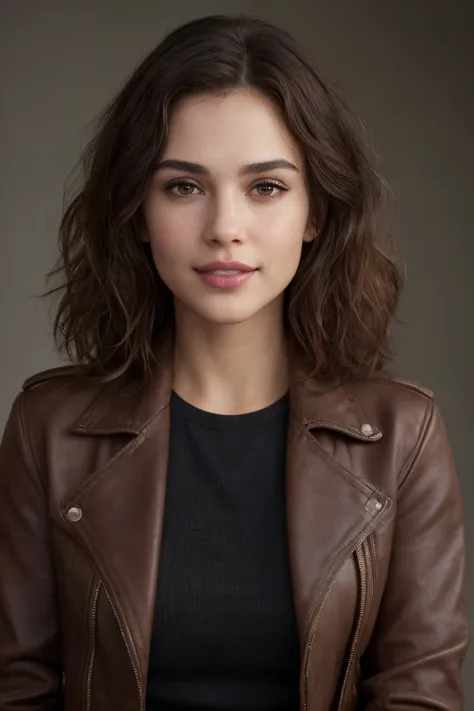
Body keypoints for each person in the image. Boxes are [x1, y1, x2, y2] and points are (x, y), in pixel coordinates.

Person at [0, 13, 468, 711]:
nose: (224, 227)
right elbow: (18, 687)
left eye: (267, 186)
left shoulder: (404, 434)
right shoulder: (49, 427)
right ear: (137, 209)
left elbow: (421, 693)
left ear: (315, 212)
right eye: (183, 186)